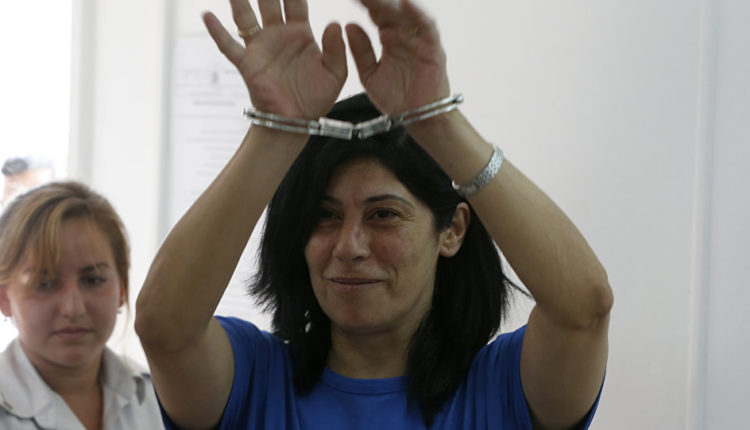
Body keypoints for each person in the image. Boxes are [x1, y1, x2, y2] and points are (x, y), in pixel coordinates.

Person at [136, 0, 613, 429]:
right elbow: (164, 328)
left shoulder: (503, 387)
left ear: (452, 230)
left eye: (383, 215)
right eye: (324, 216)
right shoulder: (255, 378)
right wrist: (276, 131)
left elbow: (583, 309)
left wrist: (438, 121)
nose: (349, 246)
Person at [0, 181, 164, 429]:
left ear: (121, 288)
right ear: (4, 298)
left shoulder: (157, 398)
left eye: (93, 280)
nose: (73, 308)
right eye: (45, 284)